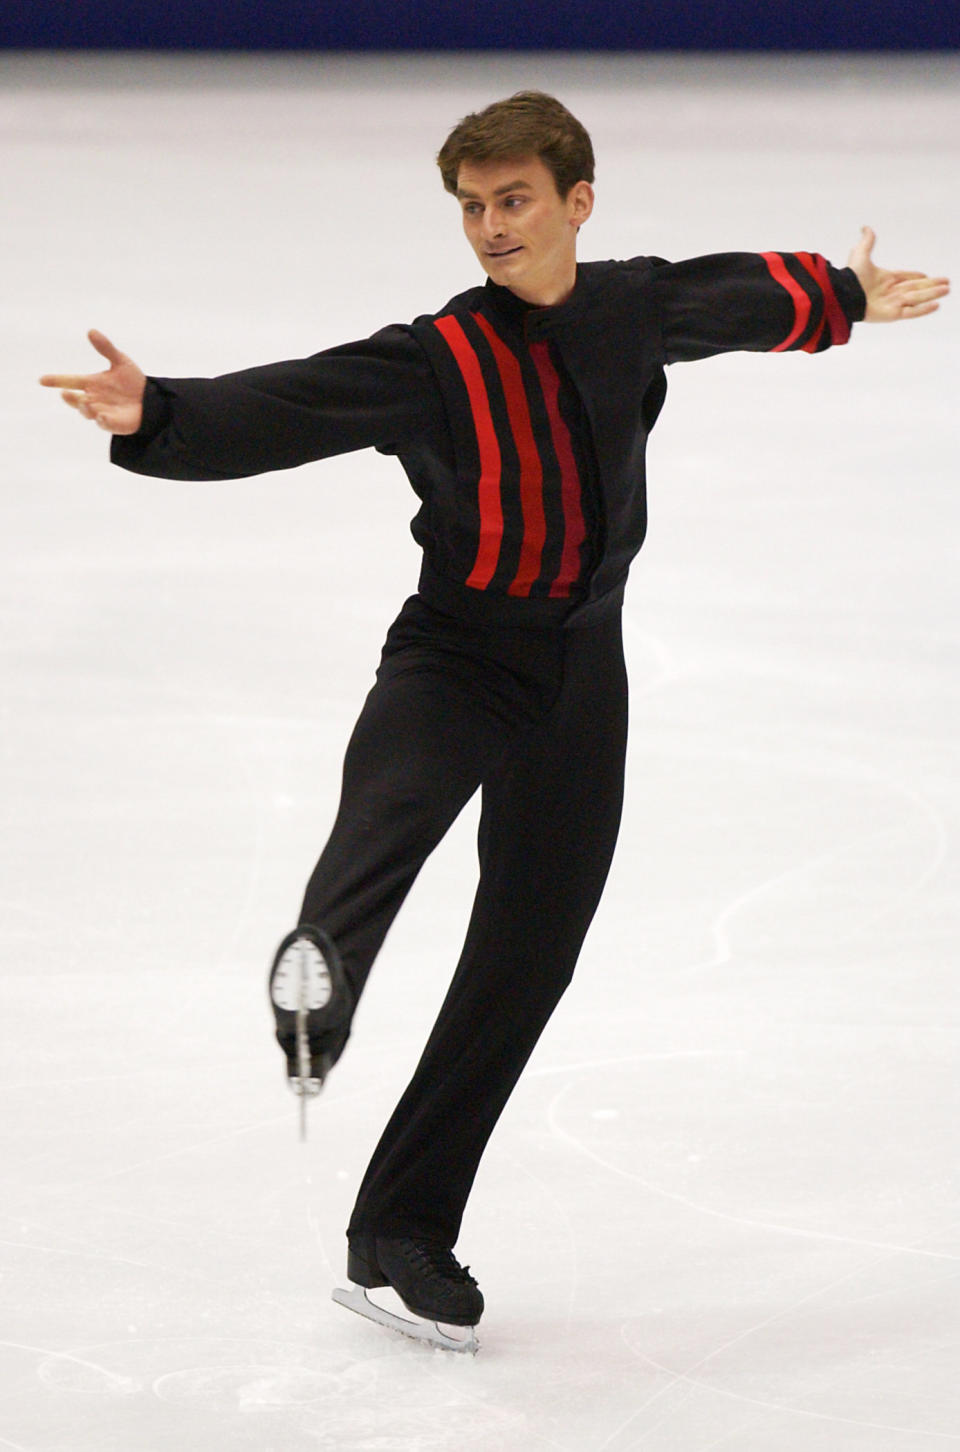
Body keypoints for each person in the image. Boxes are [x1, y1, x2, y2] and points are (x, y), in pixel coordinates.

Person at [40, 90, 949, 1345]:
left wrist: (843, 297)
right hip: (458, 659)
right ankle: (322, 985)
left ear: (579, 201)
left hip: (585, 673)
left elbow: (726, 296)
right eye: (472, 208)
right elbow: (300, 402)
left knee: (527, 959)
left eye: (513, 200)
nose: (489, 228)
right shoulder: (439, 357)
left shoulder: (628, 306)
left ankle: (401, 1229)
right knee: (384, 826)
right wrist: (167, 416)